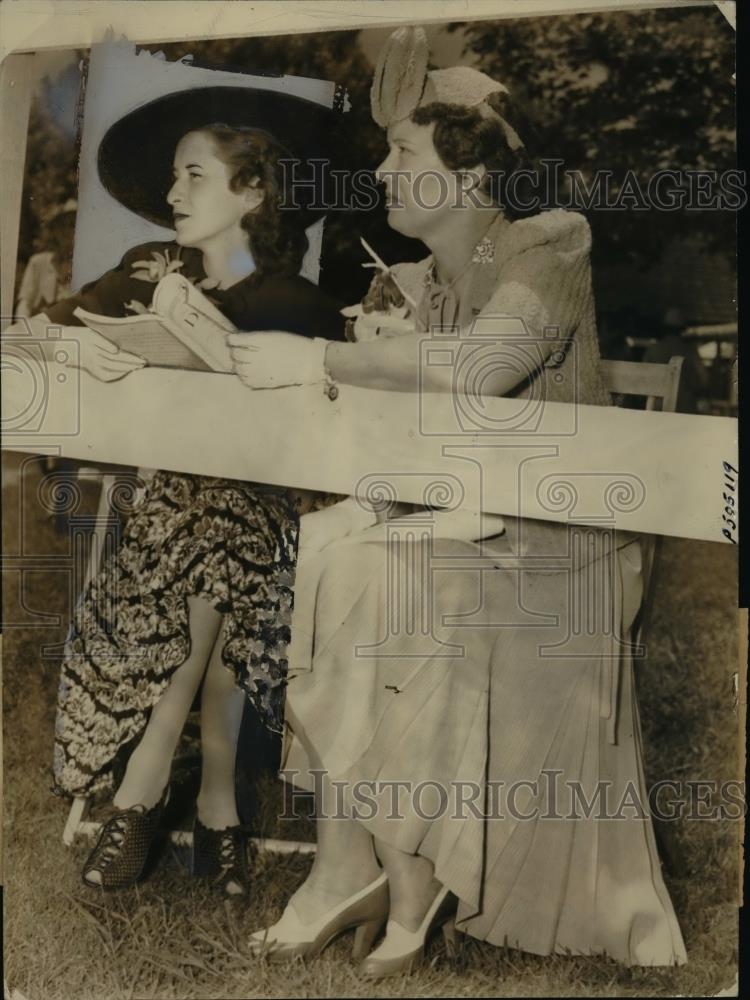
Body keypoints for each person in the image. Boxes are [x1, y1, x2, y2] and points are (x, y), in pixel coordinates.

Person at [230, 28, 687, 974]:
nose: (386, 170)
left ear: (469, 179)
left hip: (559, 547)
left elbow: (485, 369)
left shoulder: (549, 240)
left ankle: (376, 872)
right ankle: (368, 868)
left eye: (405, 153)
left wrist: (325, 356)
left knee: (358, 571)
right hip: (471, 525)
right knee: (326, 550)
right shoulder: (430, 276)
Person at [8, 85, 346, 895]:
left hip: (263, 536)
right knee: (208, 531)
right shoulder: (141, 274)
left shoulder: (298, 305)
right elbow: (47, 330)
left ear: (252, 191)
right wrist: (87, 353)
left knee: (224, 522)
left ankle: (146, 787)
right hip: (155, 541)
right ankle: (219, 806)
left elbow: (319, 443)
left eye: (194, 175)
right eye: (172, 176)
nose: (171, 194)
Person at [15, 199, 77, 319]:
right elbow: (24, 304)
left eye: (72, 225)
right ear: (54, 231)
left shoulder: (86, 269)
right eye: (61, 225)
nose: (66, 231)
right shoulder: (38, 262)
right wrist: (23, 327)